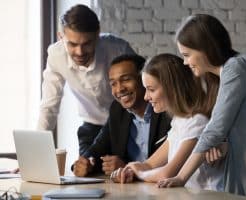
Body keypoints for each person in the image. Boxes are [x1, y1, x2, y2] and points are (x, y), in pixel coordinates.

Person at [157, 14, 246, 200]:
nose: (185, 62)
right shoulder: (235, 70)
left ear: (205, 49)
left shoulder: (236, 68)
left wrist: (181, 177)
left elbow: (214, 130)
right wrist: (223, 147)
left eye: (186, 55)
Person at [110, 54, 225, 191]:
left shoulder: (197, 122)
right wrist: (128, 170)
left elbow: (168, 173)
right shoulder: (179, 121)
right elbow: (149, 165)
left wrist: (139, 173)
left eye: (151, 90)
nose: (146, 97)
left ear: (172, 88)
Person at [37, 4, 136, 155]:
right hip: (92, 126)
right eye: (72, 44)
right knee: (84, 172)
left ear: (97, 35)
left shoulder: (118, 49)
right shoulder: (56, 55)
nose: (80, 52)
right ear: (61, 37)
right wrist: (36, 152)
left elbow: (142, 89)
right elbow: (49, 105)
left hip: (127, 123)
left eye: (87, 44)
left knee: (128, 173)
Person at [72, 54, 171, 177]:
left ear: (144, 79)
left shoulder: (166, 111)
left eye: (126, 79)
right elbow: (97, 148)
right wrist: (86, 162)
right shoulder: (118, 110)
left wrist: (127, 168)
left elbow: (171, 163)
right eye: (113, 83)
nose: (119, 89)